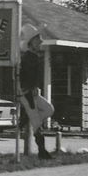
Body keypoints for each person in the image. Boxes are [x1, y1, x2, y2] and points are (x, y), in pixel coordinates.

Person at [18, 24, 55, 160]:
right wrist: (29, 87)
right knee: (37, 122)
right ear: (32, 41)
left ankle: (25, 119)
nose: (40, 40)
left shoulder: (34, 56)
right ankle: (42, 151)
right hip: (27, 93)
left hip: (33, 92)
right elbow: (23, 76)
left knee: (49, 109)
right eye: (38, 38)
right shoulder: (27, 57)